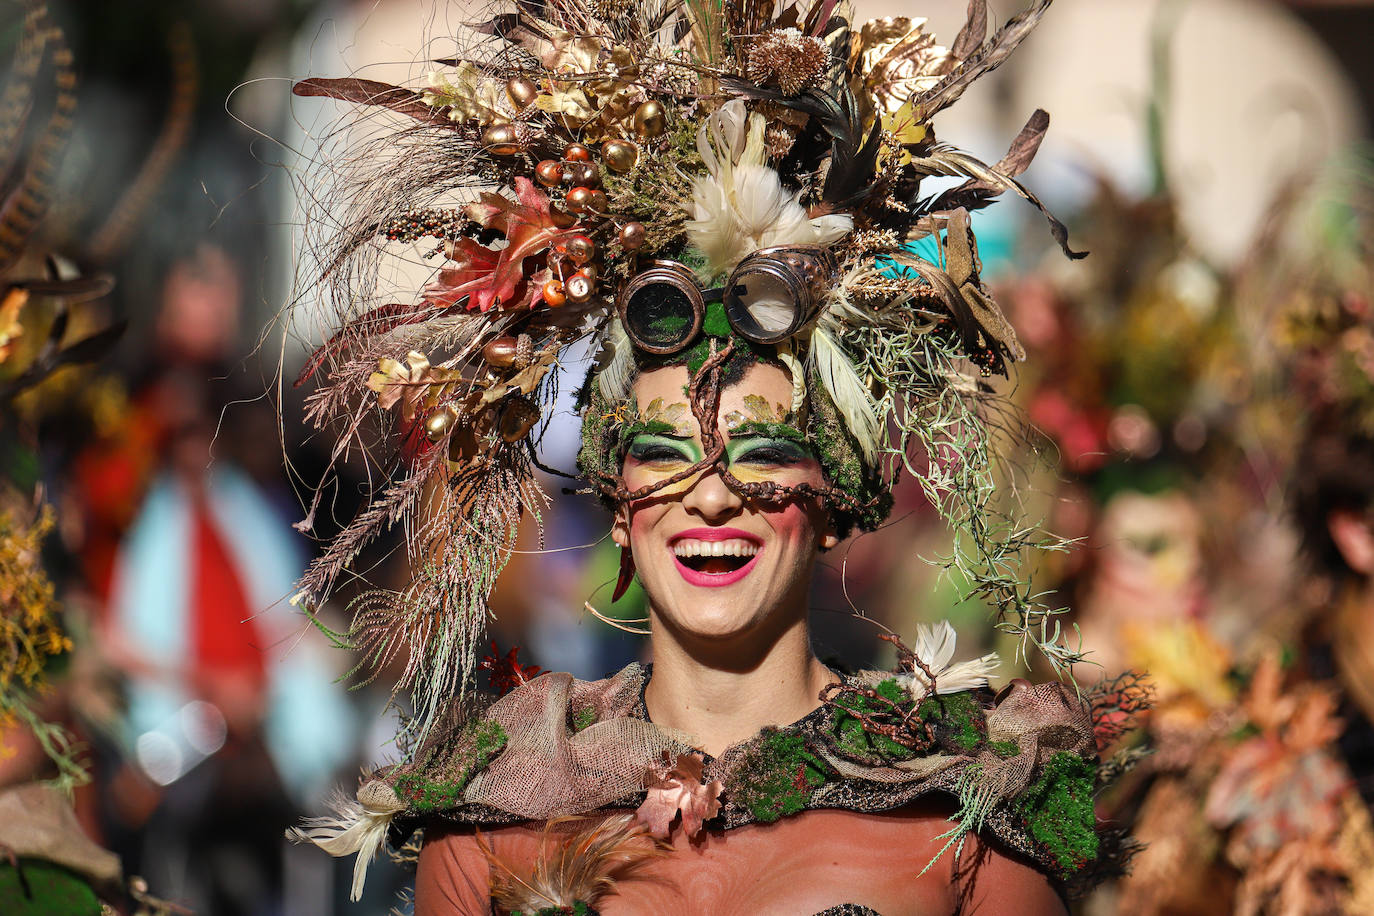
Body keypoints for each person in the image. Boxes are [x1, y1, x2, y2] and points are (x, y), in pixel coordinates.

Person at [284, 1, 1127, 912]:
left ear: (837, 496)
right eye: (665, 452)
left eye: (759, 452)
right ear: (617, 496)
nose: (712, 499)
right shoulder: (501, 809)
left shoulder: (965, 805)